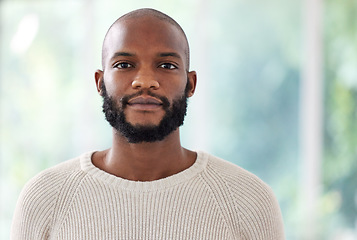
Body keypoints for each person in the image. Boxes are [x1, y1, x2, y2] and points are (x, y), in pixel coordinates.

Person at [11, 8, 285, 240]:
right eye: (123, 65)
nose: (144, 81)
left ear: (190, 84)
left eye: (166, 66)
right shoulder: (45, 199)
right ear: (99, 82)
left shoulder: (248, 201)